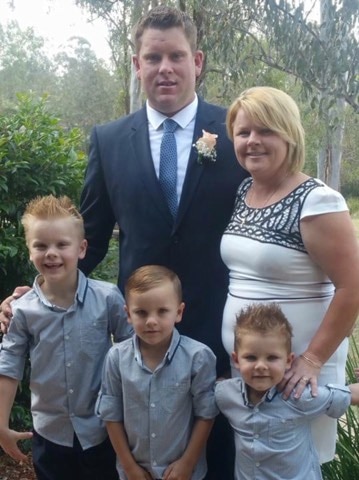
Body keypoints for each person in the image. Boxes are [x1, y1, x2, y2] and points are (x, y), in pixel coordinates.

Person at [220, 85, 359, 463]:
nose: (252, 141)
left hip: (299, 368)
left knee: (297, 466)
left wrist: (312, 360)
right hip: (252, 362)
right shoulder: (245, 191)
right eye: (244, 131)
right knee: (258, 463)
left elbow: (352, 288)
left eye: (265, 130)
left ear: (290, 134)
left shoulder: (318, 201)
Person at [0, 195, 132, 480]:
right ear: (29, 250)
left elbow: (132, 351)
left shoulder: (107, 298)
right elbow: (9, 366)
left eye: (62, 244)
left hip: (102, 430)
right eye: (41, 245)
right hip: (49, 435)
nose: (51, 253)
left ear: (81, 248)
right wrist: (1, 423)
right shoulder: (22, 310)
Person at [96, 265, 218, 480]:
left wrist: (188, 463)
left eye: (162, 311)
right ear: (128, 314)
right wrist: (129, 467)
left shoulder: (198, 357)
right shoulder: (116, 358)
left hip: (183, 473)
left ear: (179, 312)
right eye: (141, 312)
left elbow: (206, 414)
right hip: (135, 472)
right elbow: (111, 415)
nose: (151, 321)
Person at [215, 303, 359, 480]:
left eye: (272, 358)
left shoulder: (299, 396)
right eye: (251, 357)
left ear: (289, 360)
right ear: (236, 360)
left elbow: (348, 395)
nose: (260, 366)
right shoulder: (226, 395)